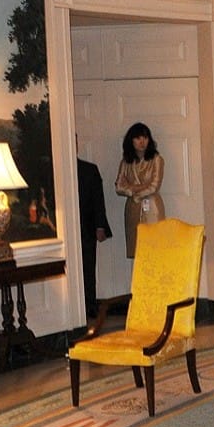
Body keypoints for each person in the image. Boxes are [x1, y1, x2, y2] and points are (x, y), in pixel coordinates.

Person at [114, 122, 165, 258]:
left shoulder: (156, 160)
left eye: (145, 137)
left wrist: (133, 190)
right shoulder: (126, 162)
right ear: (131, 141)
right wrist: (134, 192)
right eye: (138, 138)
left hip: (152, 208)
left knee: (154, 248)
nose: (142, 142)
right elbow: (119, 187)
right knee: (137, 249)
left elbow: (154, 186)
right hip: (133, 208)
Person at [77, 158, 113, 319]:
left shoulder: (89, 169)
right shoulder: (55, 167)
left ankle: (90, 305)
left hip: (86, 227)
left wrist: (100, 226)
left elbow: (98, 199)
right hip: (64, 228)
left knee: (88, 266)